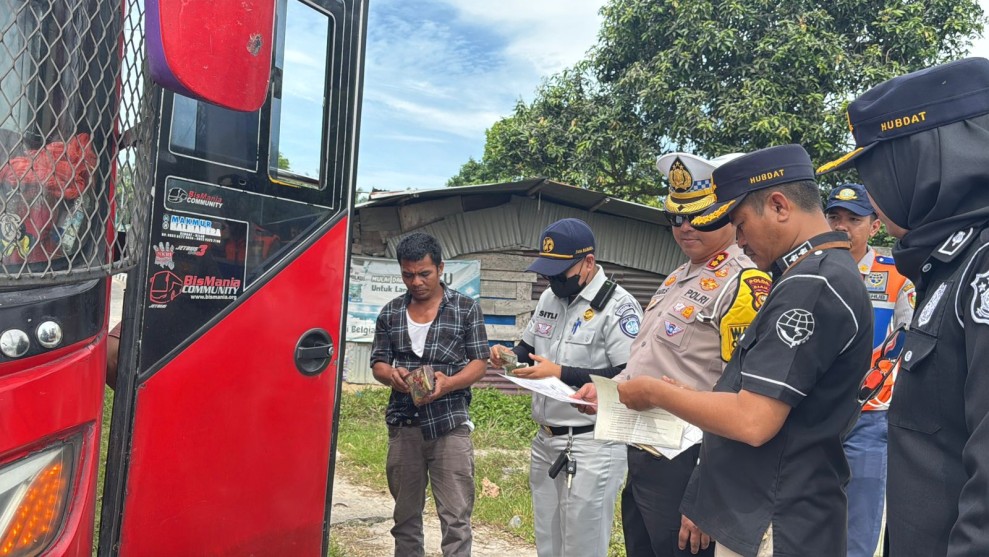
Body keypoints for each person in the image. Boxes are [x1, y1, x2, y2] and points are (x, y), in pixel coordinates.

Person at [578, 144, 873, 557]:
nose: (739, 238)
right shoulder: (805, 276)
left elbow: (754, 420)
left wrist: (661, 394)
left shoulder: (812, 285)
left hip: (778, 515)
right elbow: (750, 391)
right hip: (759, 502)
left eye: (740, 223)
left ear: (778, 206)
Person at [817, 56, 989, 556]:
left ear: (915, 165)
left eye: (876, 172)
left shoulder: (978, 268)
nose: (874, 193)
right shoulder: (949, 266)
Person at [574, 153, 770, 557]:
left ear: (728, 215)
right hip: (646, 455)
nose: (685, 227)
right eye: (675, 218)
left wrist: (707, 491)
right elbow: (652, 360)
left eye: (699, 216)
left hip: (692, 462)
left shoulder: (745, 283)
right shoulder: (677, 277)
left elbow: (742, 397)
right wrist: (611, 392)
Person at [488, 217, 640, 557]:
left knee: (581, 547)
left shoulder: (618, 307)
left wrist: (560, 372)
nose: (553, 281)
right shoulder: (549, 299)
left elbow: (629, 372)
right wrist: (507, 356)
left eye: (561, 273)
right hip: (546, 441)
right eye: (547, 273)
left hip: (591, 443)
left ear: (588, 263)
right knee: (549, 542)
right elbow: (527, 349)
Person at [369, 232, 489, 557]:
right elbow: (378, 363)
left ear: (440, 268)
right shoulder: (390, 313)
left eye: (425, 273)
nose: (417, 282)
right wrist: (391, 377)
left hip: (449, 426)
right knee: (405, 517)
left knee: (456, 519)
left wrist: (448, 383)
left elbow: (480, 363)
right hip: (404, 426)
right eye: (408, 275)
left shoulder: (465, 309)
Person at [823, 183, 915, 557]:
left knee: (859, 527)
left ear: (874, 226)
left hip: (868, 417)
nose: (842, 226)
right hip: (817, 415)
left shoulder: (897, 274)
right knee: (809, 516)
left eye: (854, 219)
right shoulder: (814, 267)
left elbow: (908, 342)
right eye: (834, 217)